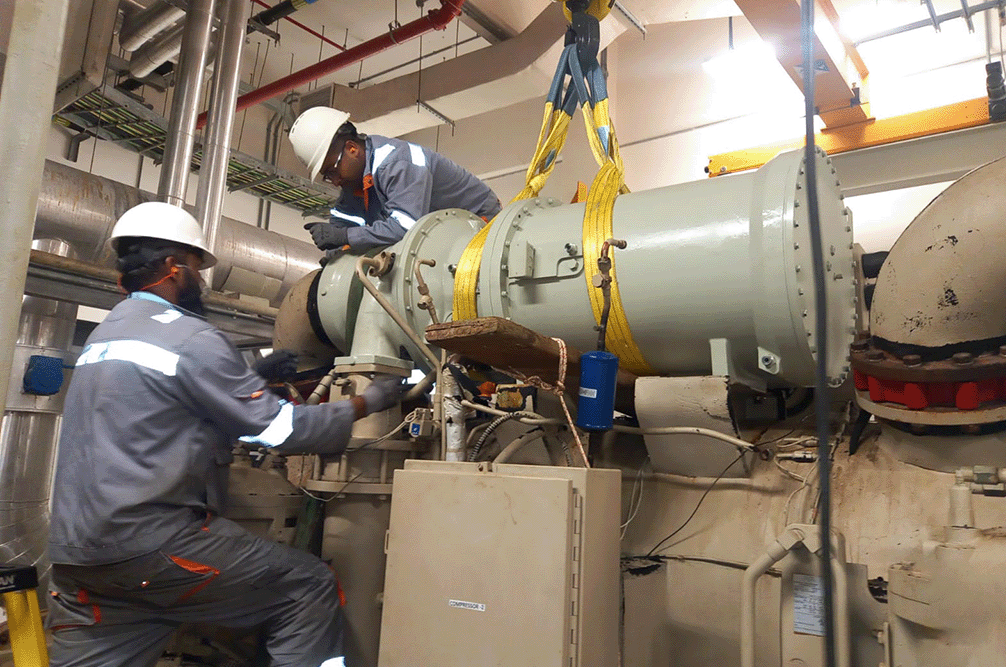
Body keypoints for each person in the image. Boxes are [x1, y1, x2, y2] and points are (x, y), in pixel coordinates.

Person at [46, 201, 402, 667]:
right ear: (174, 267)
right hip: (154, 547)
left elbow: (158, 413)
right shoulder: (192, 337)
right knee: (306, 586)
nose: (201, 279)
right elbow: (279, 430)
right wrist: (366, 402)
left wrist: (253, 381)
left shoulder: (105, 334)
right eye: (197, 268)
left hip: (78, 554)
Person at [288, 106, 502, 263]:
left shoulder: (397, 163)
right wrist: (336, 257)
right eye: (327, 176)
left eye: (333, 171)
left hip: (480, 224)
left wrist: (345, 237)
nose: (335, 182)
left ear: (352, 149)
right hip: (438, 233)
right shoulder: (355, 183)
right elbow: (342, 223)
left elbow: (406, 227)